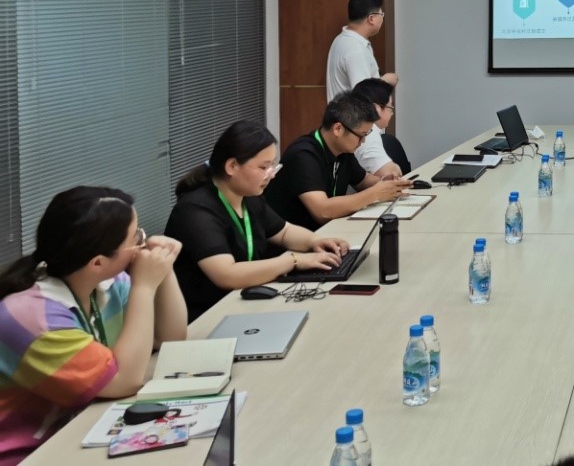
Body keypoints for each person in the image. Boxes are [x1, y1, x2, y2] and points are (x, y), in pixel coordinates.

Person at [0, 188, 187, 464]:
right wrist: (145, 287)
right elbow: (123, 381)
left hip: (80, 429)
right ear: (97, 262)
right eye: (136, 238)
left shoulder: (105, 284)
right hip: (28, 454)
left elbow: (171, 338)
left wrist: (164, 268)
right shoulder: (33, 318)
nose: (143, 243)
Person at [165, 121, 353, 321]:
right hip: (204, 317)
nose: (270, 174)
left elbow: (284, 232)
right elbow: (226, 274)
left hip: (242, 302)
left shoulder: (248, 196)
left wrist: (315, 241)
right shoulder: (195, 210)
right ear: (232, 166)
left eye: (272, 165)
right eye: (264, 167)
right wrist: (294, 261)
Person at [264, 93, 412, 231]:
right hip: (290, 241)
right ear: (338, 129)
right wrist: (375, 194)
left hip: (326, 233)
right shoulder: (303, 155)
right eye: (361, 135)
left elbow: (363, 180)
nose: (363, 141)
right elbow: (323, 211)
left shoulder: (343, 150)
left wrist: (387, 183)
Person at [326, 0, 398, 101]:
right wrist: (386, 81)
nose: (382, 18)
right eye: (381, 14)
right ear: (371, 19)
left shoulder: (341, 39)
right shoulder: (356, 50)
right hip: (353, 112)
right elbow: (364, 95)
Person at [350, 77, 410, 177]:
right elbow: (391, 174)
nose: (392, 113)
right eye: (390, 107)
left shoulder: (356, 128)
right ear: (376, 109)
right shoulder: (369, 135)